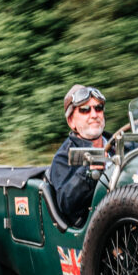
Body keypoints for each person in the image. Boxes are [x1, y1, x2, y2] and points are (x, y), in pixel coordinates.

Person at [48, 84, 109, 226]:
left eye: (98, 108)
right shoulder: (64, 157)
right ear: (71, 121)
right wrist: (89, 171)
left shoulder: (122, 145)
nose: (94, 115)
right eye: (85, 110)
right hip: (97, 229)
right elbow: (66, 203)